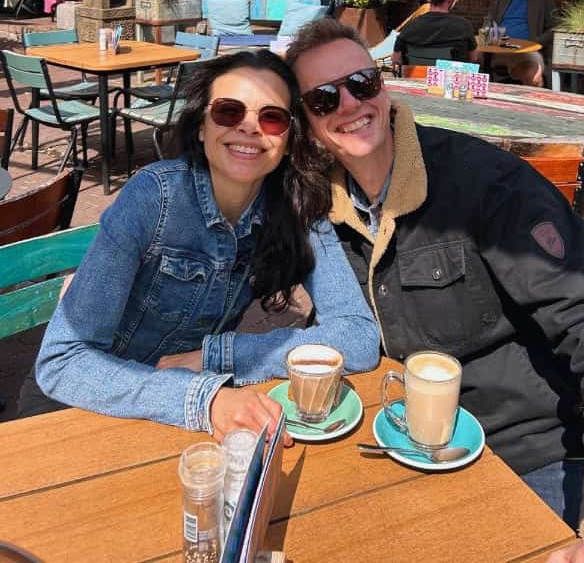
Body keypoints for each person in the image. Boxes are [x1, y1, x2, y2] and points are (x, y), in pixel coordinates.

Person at [286, 18, 584, 563]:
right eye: (325, 98)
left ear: (386, 84)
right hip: (401, 448)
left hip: (528, 456)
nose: (350, 103)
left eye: (363, 82)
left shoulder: (487, 185)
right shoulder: (317, 209)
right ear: (307, 124)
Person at [35, 50, 379, 441]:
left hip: (182, 422)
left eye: (272, 117)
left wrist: (220, 358)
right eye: (229, 112)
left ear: (288, 138)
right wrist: (206, 399)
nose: (251, 128)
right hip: (89, 408)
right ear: (201, 127)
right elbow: (63, 361)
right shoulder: (155, 198)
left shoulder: (298, 204)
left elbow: (358, 336)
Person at [487, 0, 557, 86]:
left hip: (528, 50)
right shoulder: (500, 1)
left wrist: (536, 42)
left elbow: (554, 28)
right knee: (473, 53)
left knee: (531, 74)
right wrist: (491, 41)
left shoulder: (544, 0)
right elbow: (489, 24)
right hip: (501, 49)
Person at [393, 0, 478, 65]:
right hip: (450, 78)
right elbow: (473, 58)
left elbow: (396, 60)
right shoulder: (464, 26)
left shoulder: (409, 27)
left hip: (417, 78)